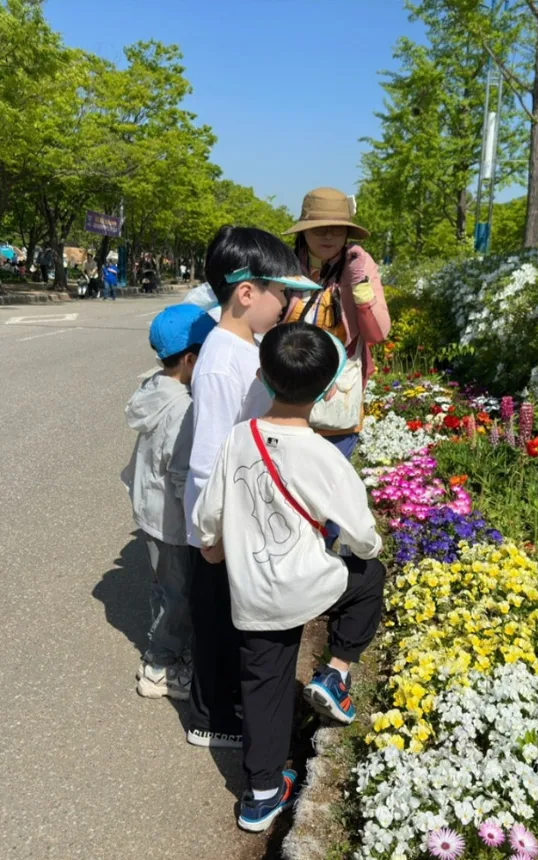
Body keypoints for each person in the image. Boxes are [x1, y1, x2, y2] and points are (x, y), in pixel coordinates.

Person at [193, 321, 385, 833]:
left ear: (262, 376)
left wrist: (212, 547)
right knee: (368, 578)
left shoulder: (239, 438)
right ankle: (335, 673)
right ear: (327, 391)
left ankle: (260, 795)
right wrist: (367, 549)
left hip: (254, 595)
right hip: (312, 586)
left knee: (265, 686)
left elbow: (210, 515)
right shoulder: (324, 455)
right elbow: (362, 533)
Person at [183, 225, 301, 749]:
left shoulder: (243, 346)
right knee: (214, 622)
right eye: (283, 292)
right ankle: (211, 718)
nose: (288, 303)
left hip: (236, 512)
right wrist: (212, 534)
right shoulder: (220, 362)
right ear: (246, 293)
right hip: (219, 522)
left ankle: (226, 700)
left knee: (231, 619)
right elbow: (207, 459)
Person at [282, 188, 391, 548]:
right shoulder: (284, 267)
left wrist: (361, 288)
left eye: (336, 229)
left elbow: (377, 332)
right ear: (303, 231)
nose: (328, 236)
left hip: (338, 404)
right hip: (286, 396)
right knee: (286, 489)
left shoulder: (360, 265)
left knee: (326, 493)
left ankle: (321, 565)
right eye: (319, 228)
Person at [122, 304, 217, 700]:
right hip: (173, 521)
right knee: (178, 595)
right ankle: (160, 667)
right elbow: (181, 474)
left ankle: (164, 648)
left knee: (166, 587)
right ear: (192, 359)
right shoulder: (186, 409)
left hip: (150, 512)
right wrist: (204, 526)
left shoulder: (154, 387)